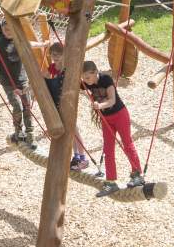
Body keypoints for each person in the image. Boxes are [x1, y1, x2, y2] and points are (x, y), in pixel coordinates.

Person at [81, 60, 144, 196]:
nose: (85, 81)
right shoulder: (86, 83)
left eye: (87, 77)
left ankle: (137, 174)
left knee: (127, 143)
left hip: (119, 114)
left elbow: (112, 100)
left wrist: (99, 106)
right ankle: (111, 182)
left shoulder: (105, 79)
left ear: (95, 72)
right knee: (108, 149)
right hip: (106, 119)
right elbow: (72, 83)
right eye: (83, 78)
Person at [44, 42, 90, 171]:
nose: (56, 57)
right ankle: (76, 156)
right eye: (53, 54)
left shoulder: (67, 68)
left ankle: (83, 158)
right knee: (70, 131)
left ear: (65, 55)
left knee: (74, 130)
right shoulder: (52, 68)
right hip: (59, 102)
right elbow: (43, 78)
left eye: (59, 55)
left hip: (69, 102)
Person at [0, 15, 34, 144]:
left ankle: (30, 132)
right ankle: (18, 131)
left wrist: (44, 44)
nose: (8, 31)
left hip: (22, 80)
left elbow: (31, 44)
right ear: (2, 30)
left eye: (11, 29)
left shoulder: (19, 40)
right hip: (8, 82)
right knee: (17, 107)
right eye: (5, 29)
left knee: (27, 107)